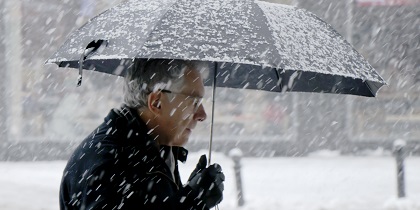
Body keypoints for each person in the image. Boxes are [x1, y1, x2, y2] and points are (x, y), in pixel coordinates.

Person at [59, 59, 225, 210]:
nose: (202, 115)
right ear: (156, 102)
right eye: (194, 101)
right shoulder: (111, 162)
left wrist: (186, 194)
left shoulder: (152, 150)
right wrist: (191, 202)